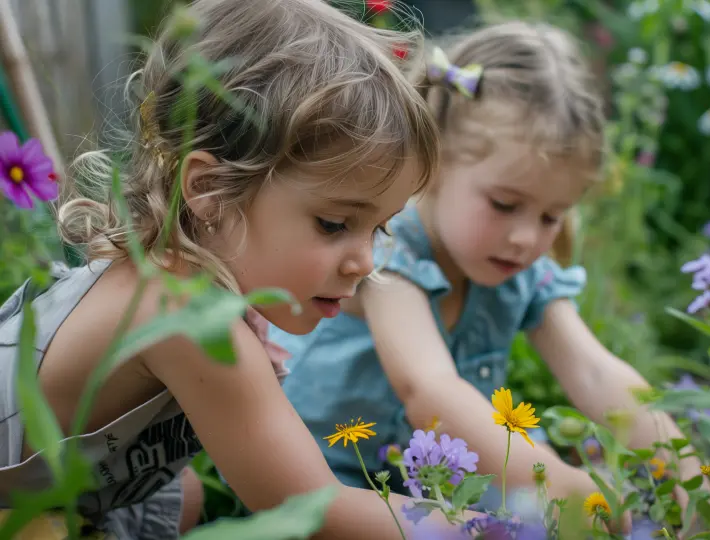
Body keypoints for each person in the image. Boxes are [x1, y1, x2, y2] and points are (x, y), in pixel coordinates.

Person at [0, 0, 452, 538]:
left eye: (378, 228)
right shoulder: (185, 310)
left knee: (179, 491)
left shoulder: (177, 273)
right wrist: (504, 528)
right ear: (209, 191)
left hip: (81, 494)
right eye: (335, 224)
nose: (364, 262)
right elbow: (313, 510)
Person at [278, 21, 704, 526]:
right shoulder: (387, 251)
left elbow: (595, 371)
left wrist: (684, 470)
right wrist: (563, 486)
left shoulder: (521, 269)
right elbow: (429, 391)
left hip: (454, 475)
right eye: (505, 204)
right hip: (338, 477)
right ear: (435, 163)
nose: (526, 238)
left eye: (552, 216)